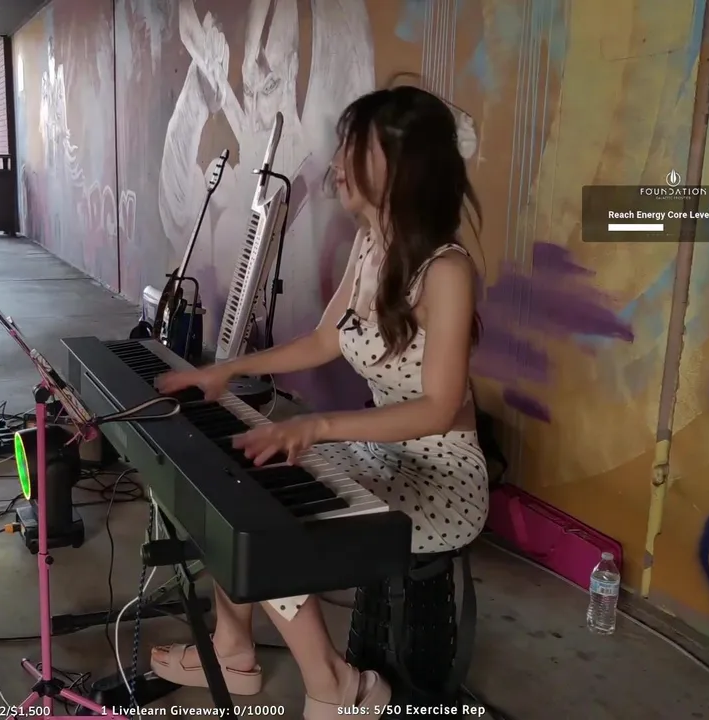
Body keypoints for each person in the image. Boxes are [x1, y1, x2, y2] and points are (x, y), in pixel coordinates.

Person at [149, 86, 490, 719]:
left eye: (355, 148)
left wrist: (317, 426)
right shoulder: (370, 245)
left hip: (440, 477)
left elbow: (439, 408)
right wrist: (226, 369)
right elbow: (323, 340)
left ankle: (334, 683)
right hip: (378, 453)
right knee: (237, 484)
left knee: (274, 518)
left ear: (404, 165)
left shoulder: (447, 271)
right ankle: (232, 650)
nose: (337, 162)